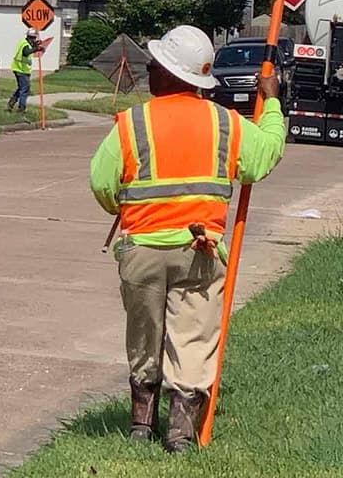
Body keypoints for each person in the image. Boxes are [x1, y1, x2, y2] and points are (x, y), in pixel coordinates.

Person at [88, 24, 286, 453]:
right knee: (193, 337)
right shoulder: (225, 123)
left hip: (142, 247)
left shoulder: (133, 122)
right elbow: (265, 155)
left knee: (144, 333)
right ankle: (179, 434)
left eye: (154, 64)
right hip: (200, 250)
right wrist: (271, 100)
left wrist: (122, 208)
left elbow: (101, 182)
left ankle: (141, 424)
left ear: (170, 74)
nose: (149, 69)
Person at [7, 29, 44, 111]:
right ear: (31, 37)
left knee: (21, 88)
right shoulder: (25, 45)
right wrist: (37, 49)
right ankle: (21, 108)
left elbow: (29, 50)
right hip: (21, 70)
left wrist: (35, 45)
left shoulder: (24, 42)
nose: (34, 40)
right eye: (33, 38)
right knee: (25, 89)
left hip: (19, 69)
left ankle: (11, 103)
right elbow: (26, 52)